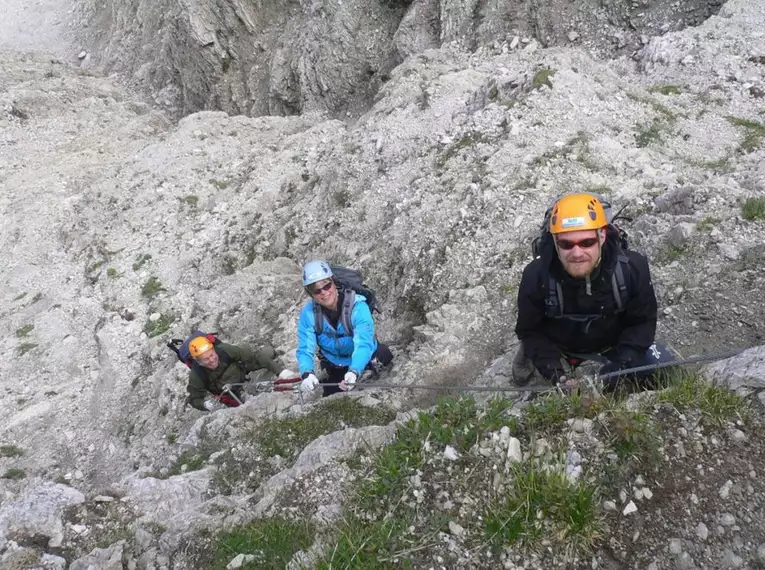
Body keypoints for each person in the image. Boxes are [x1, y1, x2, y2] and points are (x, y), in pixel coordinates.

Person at [513, 193, 673, 392]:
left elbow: (642, 324)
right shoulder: (536, 276)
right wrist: (555, 374)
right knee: (534, 359)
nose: (577, 253)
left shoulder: (632, 268)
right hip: (561, 346)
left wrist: (619, 367)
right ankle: (536, 358)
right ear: (555, 242)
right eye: (566, 244)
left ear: (602, 236)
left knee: (665, 366)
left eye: (587, 242)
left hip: (611, 345)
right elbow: (530, 330)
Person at [297, 260, 393, 397]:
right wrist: (307, 373)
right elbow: (305, 348)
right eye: (316, 290)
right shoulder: (308, 314)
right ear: (310, 294)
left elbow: (364, 344)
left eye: (326, 286)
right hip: (334, 364)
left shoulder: (358, 307)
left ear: (333, 282)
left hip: (364, 358)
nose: (324, 293)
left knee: (383, 357)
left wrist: (354, 370)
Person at [186, 335, 296, 411]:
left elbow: (254, 356)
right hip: (231, 393)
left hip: (242, 371)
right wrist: (205, 405)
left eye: (212, 355)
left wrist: (281, 371)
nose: (211, 360)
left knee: (266, 353)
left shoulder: (225, 350)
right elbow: (194, 399)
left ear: (214, 350)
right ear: (198, 361)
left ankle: (272, 352)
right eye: (206, 359)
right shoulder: (197, 375)